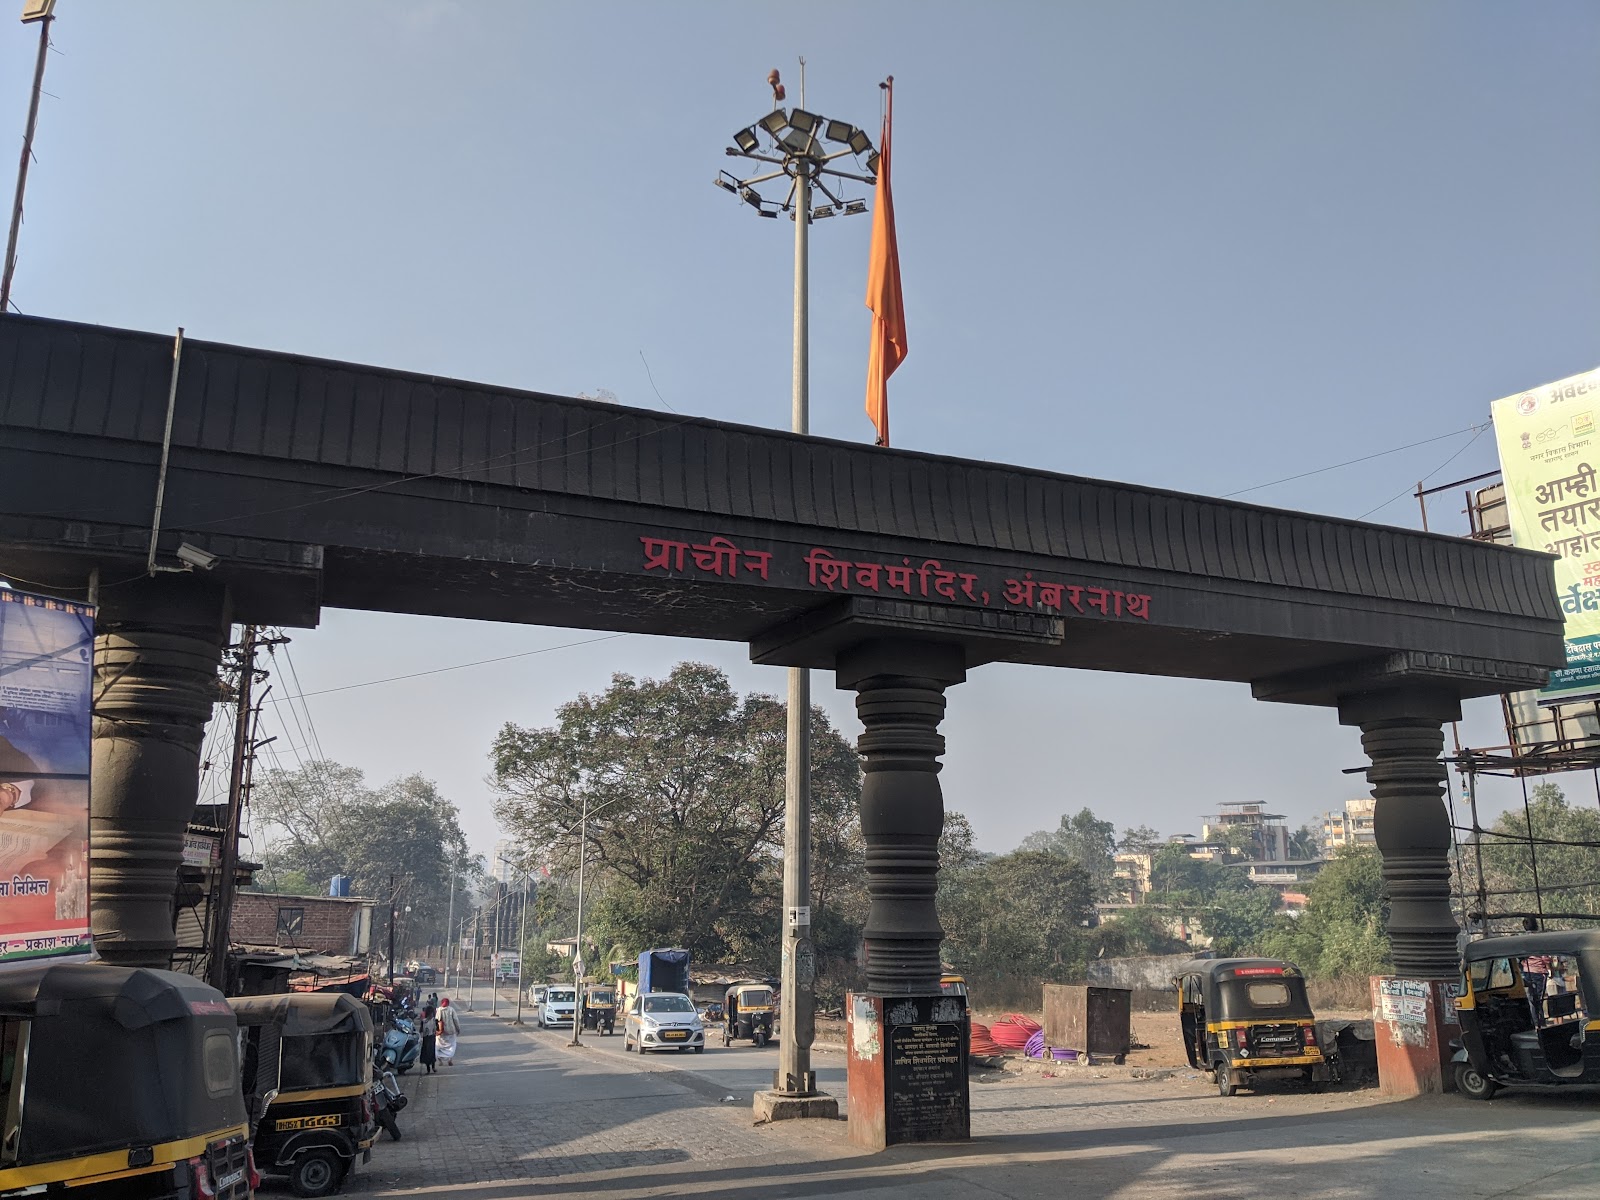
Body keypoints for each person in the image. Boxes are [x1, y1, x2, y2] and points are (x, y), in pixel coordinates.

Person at [436, 996, 460, 1067]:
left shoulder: (439, 1010)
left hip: (441, 1032)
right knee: (451, 1046)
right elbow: (456, 1020)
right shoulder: (451, 1009)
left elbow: (436, 1020)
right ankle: (450, 1060)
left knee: (439, 1046)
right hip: (451, 1031)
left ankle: (440, 1061)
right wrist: (458, 1029)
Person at [419, 1005, 438, 1074]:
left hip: (426, 1039)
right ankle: (433, 1067)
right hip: (432, 1038)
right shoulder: (435, 1020)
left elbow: (420, 1030)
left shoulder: (423, 1021)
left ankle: (428, 1069)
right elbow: (437, 1029)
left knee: (426, 1053)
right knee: (432, 1053)